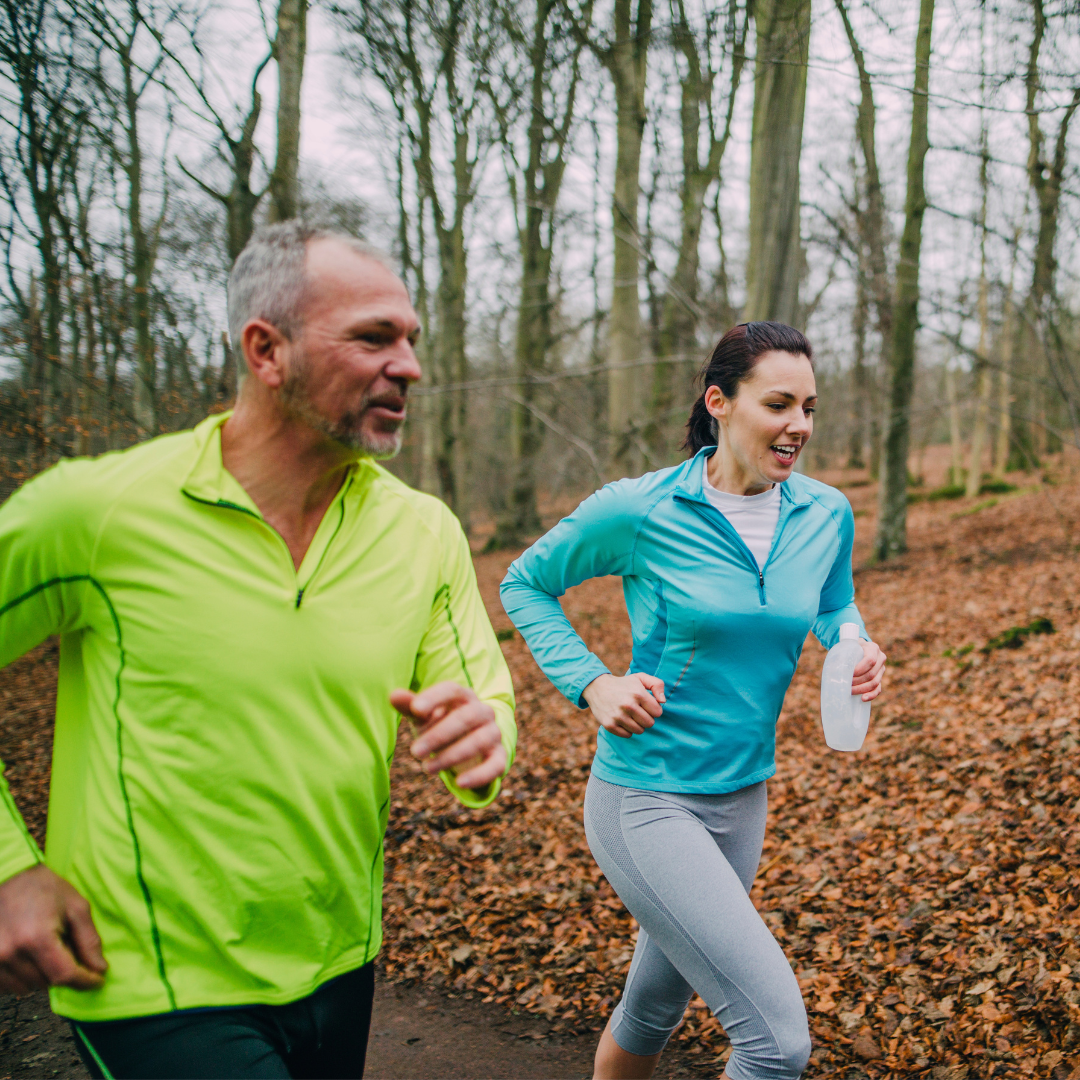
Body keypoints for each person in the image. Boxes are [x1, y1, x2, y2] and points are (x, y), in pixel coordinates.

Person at [0, 222, 516, 1079]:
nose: (411, 367)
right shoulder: (99, 514)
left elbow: (483, 700)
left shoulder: (423, 531)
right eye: (373, 337)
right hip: (152, 976)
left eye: (413, 340)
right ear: (266, 350)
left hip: (341, 960)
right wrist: (13, 868)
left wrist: (483, 734)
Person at [501, 322, 886, 1080]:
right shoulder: (639, 510)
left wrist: (855, 644)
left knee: (654, 1007)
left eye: (809, 407)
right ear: (720, 402)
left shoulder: (825, 512)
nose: (799, 426)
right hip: (646, 797)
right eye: (779, 404)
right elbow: (525, 584)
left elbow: (835, 604)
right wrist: (594, 682)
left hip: (743, 797)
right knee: (776, 1044)